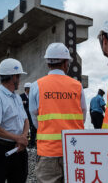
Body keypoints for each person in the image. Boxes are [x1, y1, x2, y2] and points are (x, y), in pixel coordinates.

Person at [29, 42, 87, 183]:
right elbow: (83, 114)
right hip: (74, 150)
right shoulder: (77, 86)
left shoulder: (36, 86)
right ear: (66, 63)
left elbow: (34, 116)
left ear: (48, 63)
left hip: (48, 151)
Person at [0, 58, 29, 183]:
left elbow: (25, 120)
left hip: (19, 148)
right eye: (19, 76)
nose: (19, 80)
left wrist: (23, 138)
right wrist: (18, 138)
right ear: (13, 77)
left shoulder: (16, 97)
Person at [20, 82, 36, 148]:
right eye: (30, 88)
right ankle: (25, 142)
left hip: (31, 115)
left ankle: (32, 142)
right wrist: (26, 102)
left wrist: (25, 102)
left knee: (33, 128)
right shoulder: (21, 96)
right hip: (24, 115)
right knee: (25, 129)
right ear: (26, 89)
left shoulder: (32, 96)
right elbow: (20, 104)